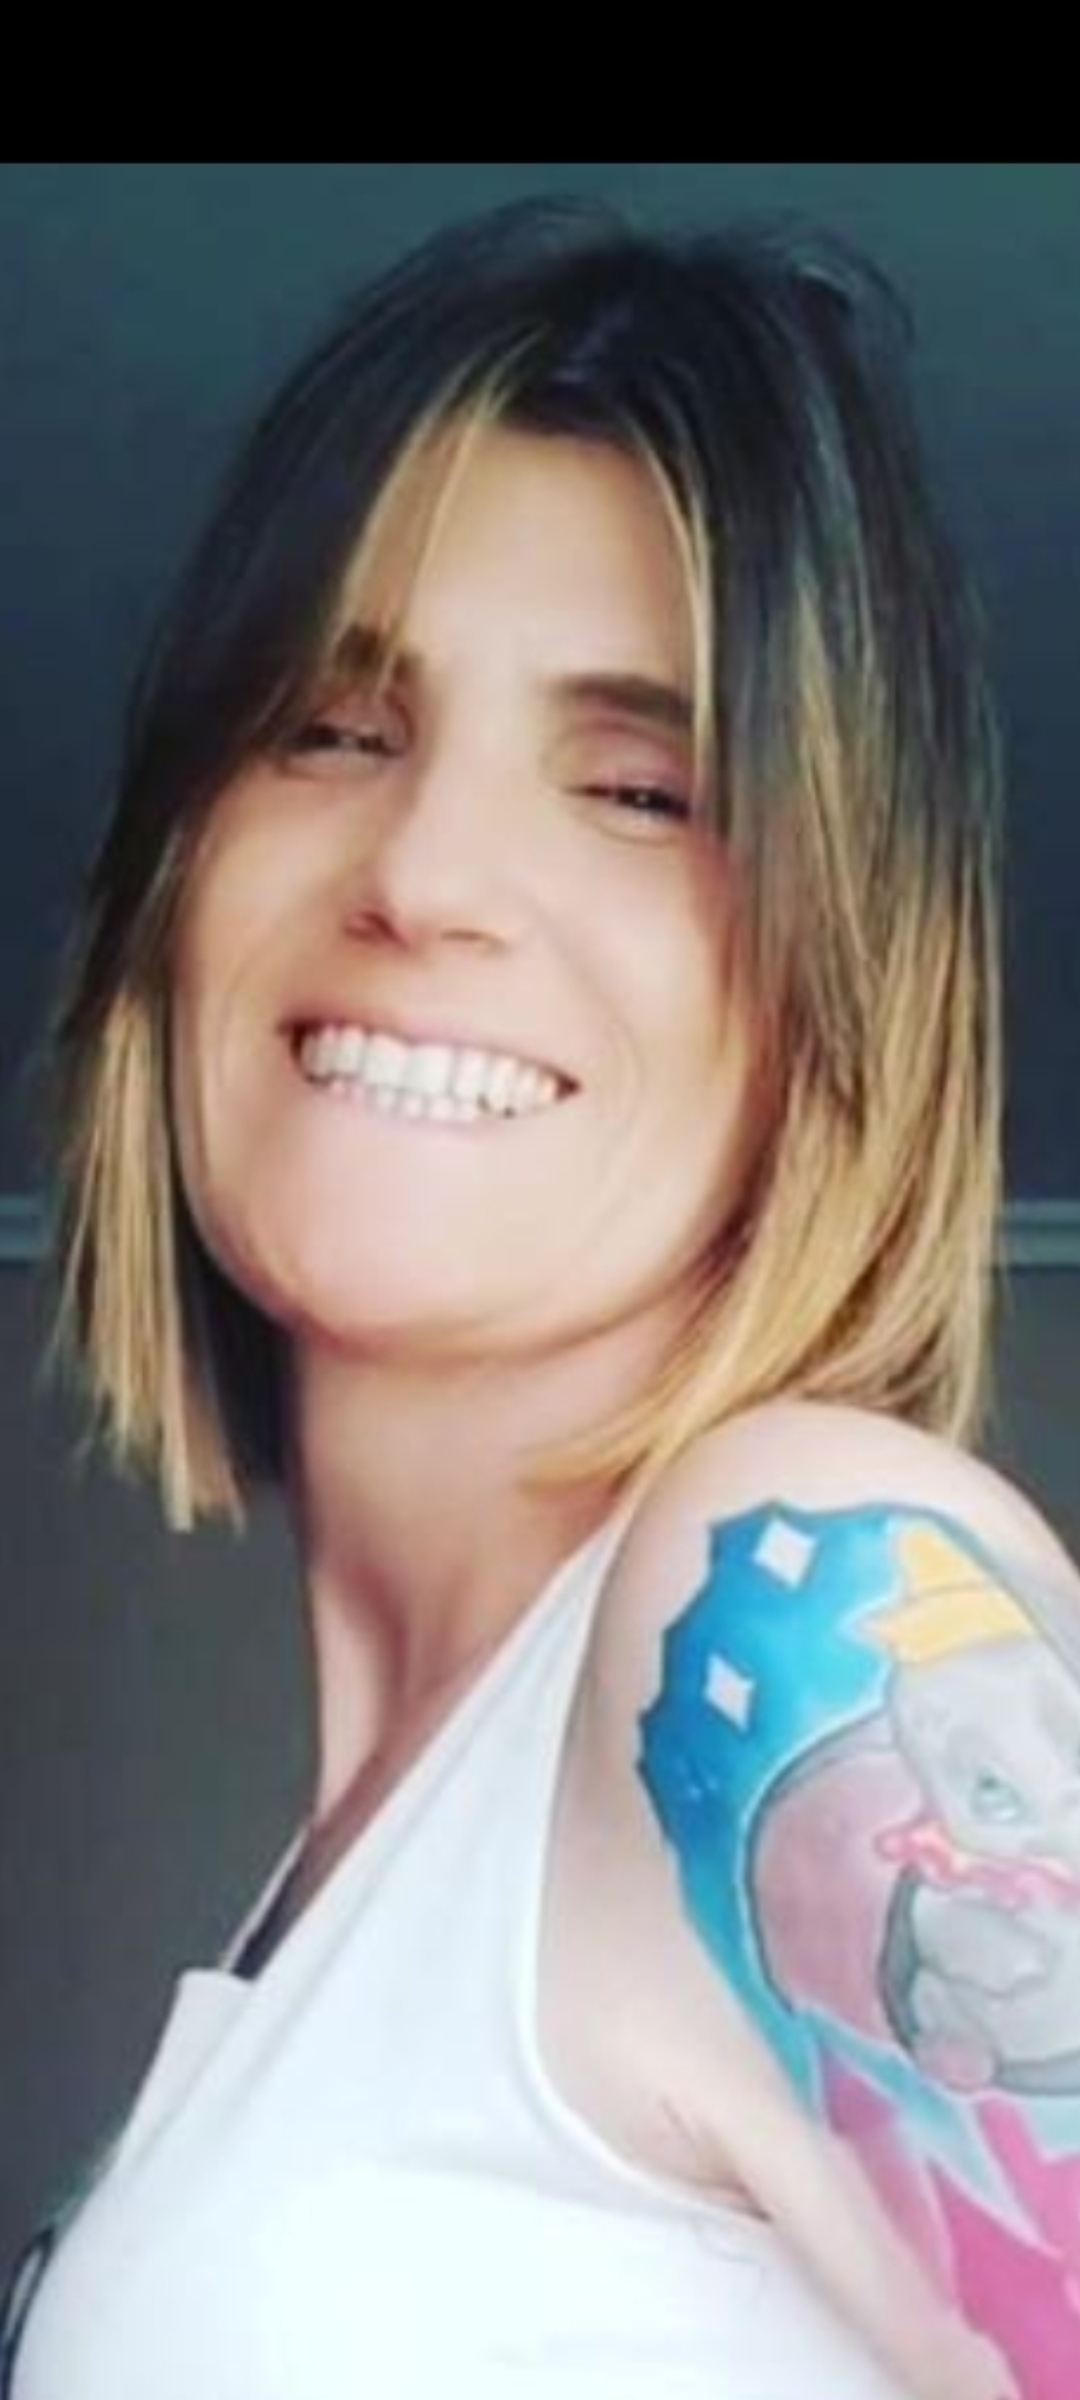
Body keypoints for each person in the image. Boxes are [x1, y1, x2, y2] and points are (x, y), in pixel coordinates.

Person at [3, 194, 1077, 2400]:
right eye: (331, 729)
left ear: (836, 987)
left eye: (638, 790)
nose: (422, 875)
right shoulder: (344, 1907)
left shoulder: (790, 1606)